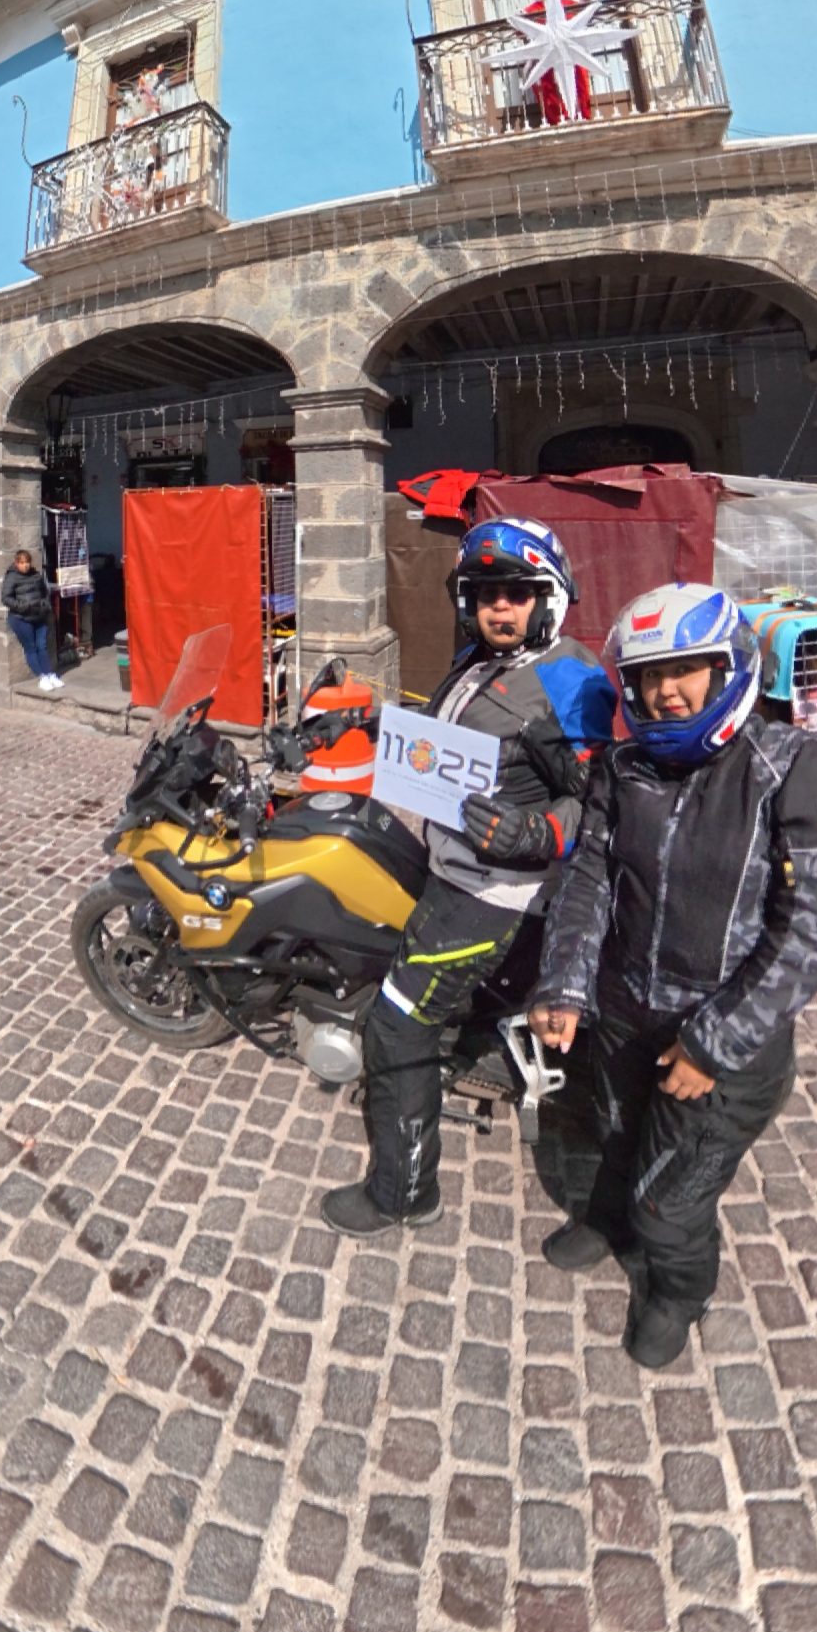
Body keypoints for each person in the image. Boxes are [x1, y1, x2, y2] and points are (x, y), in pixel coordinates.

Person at [529, 582, 817, 1369]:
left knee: (670, 1201)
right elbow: (589, 878)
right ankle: (606, 1220)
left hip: (723, 1039)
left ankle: (680, 1289)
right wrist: (565, 982)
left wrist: (714, 1043)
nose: (665, 691)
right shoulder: (622, 767)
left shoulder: (792, 767)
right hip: (623, 1009)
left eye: (685, 669)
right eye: (648, 675)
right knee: (611, 1134)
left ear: (727, 667)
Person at [321, 517, 615, 1237]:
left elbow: (601, 804)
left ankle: (404, 1193)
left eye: (516, 593)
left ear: (548, 598)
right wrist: (369, 719)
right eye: (486, 595)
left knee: (395, 1027)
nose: (499, 607)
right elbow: (445, 741)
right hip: (450, 863)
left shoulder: (569, 679)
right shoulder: (479, 661)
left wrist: (534, 833)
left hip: (492, 894)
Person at [2, 549, 60, 692]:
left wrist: (45, 605)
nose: (25, 565)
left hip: (39, 616)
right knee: (31, 648)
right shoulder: (12, 577)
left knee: (42, 646)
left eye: (27, 562)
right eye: (22, 563)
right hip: (21, 619)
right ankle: (42, 677)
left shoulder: (36, 575)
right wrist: (23, 607)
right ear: (17, 563)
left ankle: (50, 674)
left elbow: (45, 592)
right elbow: (6, 598)